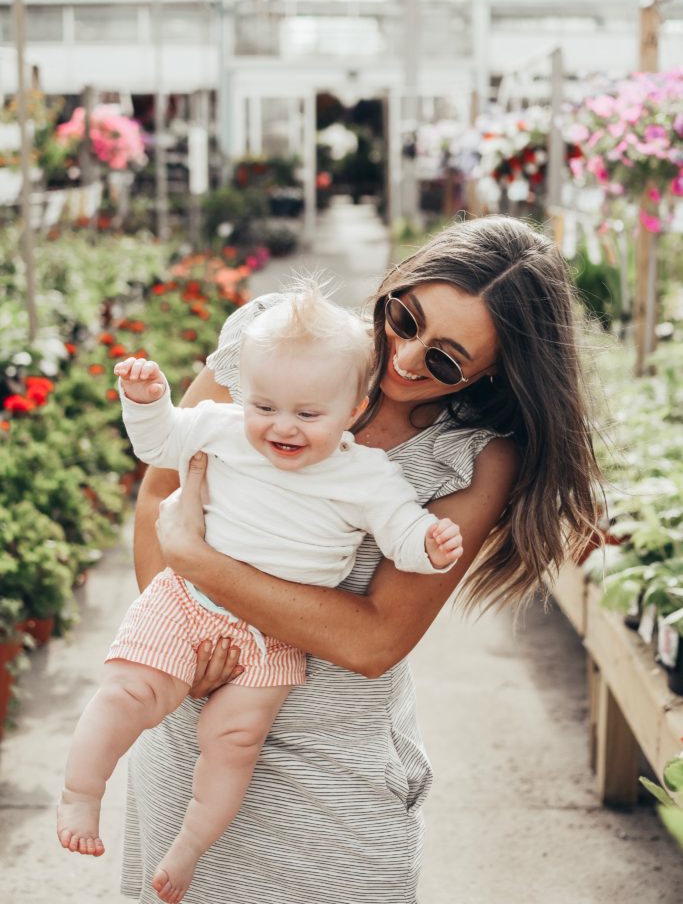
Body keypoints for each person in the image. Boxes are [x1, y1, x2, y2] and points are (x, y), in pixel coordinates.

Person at [121, 216, 601, 904]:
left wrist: (197, 563)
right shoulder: (282, 340)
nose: (406, 358)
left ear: (493, 370)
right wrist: (183, 650)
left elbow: (374, 638)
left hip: (331, 770)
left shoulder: (473, 457)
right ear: (395, 285)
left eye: (445, 359)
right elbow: (159, 493)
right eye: (404, 318)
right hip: (188, 731)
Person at [57, 284, 463, 904]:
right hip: (185, 604)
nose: (282, 427)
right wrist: (147, 401)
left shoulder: (365, 474)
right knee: (126, 693)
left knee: (235, 742)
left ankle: (188, 849)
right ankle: (81, 795)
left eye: (307, 415)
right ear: (245, 394)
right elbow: (161, 444)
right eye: (266, 406)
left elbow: (400, 525)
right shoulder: (222, 427)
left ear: (354, 410)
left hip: (275, 635)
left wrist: (428, 543)